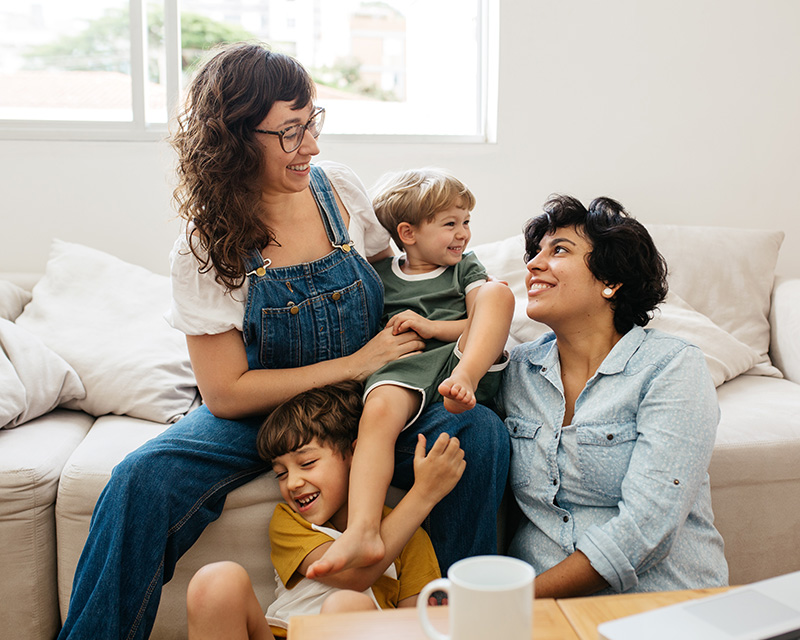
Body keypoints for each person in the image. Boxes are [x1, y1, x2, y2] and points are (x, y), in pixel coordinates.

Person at [57, 43, 509, 639]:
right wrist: (351, 363)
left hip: (375, 395)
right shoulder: (204, 250)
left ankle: (462, 626)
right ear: (237, 139)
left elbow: (397, 286)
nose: (312, 147)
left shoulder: (340, 193)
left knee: (479, 435)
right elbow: (225, 393)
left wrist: (441, 334)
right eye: (291, 133)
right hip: (266, 410)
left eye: (312, 123)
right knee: (140, 480)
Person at [498, 194, 728, 598]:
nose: (533, 264)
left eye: (559, 250)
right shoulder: (517, 371)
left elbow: (646, 526)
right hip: (544, 613)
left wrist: (513, 600)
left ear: (611, 281)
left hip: (661, 601)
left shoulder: (672, 366)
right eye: (535, 253)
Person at [308, 168, 514, 578]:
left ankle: (468, 380)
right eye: (450, 224)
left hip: (459, 359)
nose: (463, 234)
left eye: (466, 222)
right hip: (407, 365)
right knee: (379, 411)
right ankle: (364, 528)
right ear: (407, 233)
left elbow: (481, 319)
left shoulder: (465, 269)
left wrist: (434, 328)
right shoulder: (381, 277)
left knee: (498, 292)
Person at [186, 381, 465, 639]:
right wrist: (423, 494)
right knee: (215, 581)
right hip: (284, 632)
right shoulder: (290, 522)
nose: (293, 483)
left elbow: (416, 626)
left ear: (355, 455)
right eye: (280, 474)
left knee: (345, 606)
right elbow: (352, 576)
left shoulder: (410, 536)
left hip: (359, 629)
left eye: (306, 463)